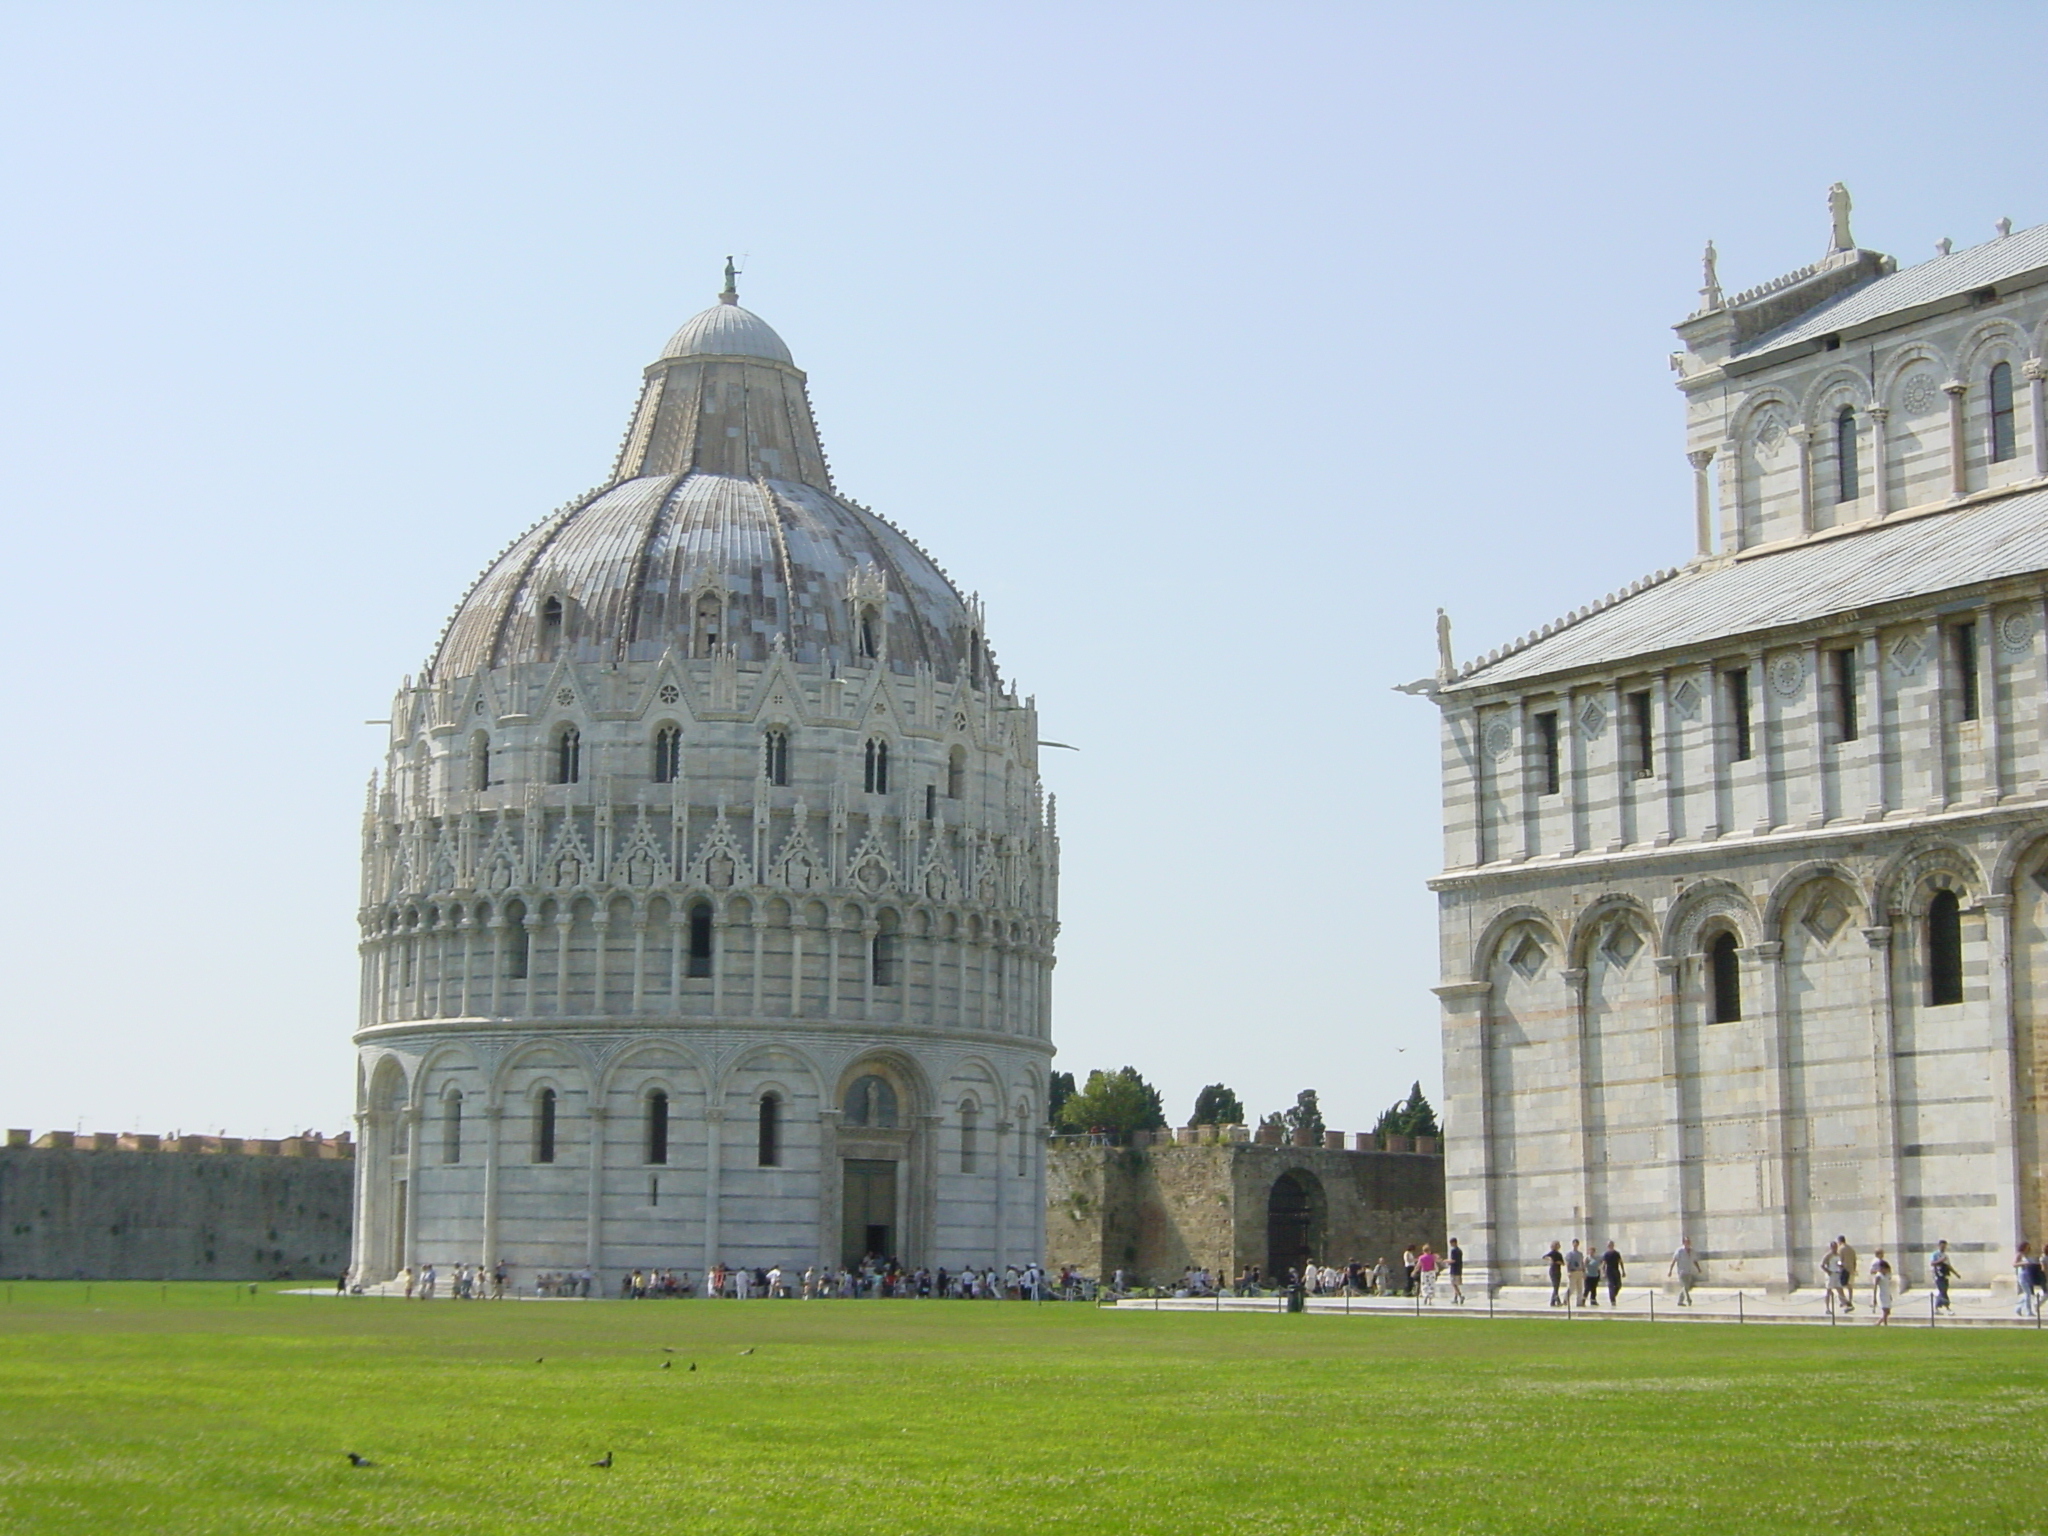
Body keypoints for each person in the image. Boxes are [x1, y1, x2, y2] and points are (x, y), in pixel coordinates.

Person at [1667, 1237, 1699, 1306]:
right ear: (1684, 1242)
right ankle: (1688, 1299)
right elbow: (1674, 1261)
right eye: (1687, 1241)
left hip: (1689, 1271)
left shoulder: (1692, 1251)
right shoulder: (1679, 1251)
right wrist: (1670, 1271)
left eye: (1689, 1241)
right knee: (1685, 1286)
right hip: (1682, 1272)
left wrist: (1698, 1268)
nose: (1688, 1243)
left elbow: (1695, 1261)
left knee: (1686, 1287)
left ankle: (1680, 1301)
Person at [1929, 1240, 1957, 1315]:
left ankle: (1937, 1307)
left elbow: (1948, 1266)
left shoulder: (1945, 1255)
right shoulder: (1935, 1254)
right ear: (1939, 1246)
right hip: (1937, 1275)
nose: (1943, 1247)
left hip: (1945, 1275)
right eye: (1942, 1246)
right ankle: (1947, 1308)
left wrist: (1956, 1273)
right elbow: (1932, 1263)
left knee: (1943, 1291)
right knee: (1943, 1291)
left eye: (1945, 1246)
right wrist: (1940, 1260)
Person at [1870, 1249, 1894, 1325]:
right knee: (1885, 1311)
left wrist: (1890, 1295)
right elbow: (1875, 1287)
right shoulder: (1879, 1276)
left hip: (1886, 1293)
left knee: (1888, 1311)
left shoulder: (1887, 1275)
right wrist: (1873, 1298)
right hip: (1881, 1294)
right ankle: (1880, 1323)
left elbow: (1888, 1285)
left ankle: (1881, 1323)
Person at [1835, 1236, 1857, 1313]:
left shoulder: (1841, 1249)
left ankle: (1845, 1302)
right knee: (1850, 1287)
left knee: (1839, 1287)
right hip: (1851, 1270)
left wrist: (1837, 1266)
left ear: (1839, 1241)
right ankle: (1850, 1300)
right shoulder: (1851, 1249)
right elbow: (1854, 1261)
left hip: (1844, 1270)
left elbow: (1840, 1260)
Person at [1601, 1242, 1625, 1306]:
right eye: (1609, 1245)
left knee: (1618, 1285)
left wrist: (1623, 1271)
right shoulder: (1606, 1254)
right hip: (1609, 1271)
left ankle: (1613, 1296)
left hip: (1616, 1270)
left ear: (1613, 1245)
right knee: (1611, 1286)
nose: (1610, 1246)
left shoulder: (1616, 1253)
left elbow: (1620, 1262)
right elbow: (1604, 1264)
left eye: (1611, 1245)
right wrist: (1603, 1273)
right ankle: (1612, 1300)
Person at [1564, 1240, 1587, 1307]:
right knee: (1572, 1288)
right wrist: (1568, 1272)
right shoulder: (1570, 1254)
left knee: (1580, 1288)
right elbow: (1568, 1263)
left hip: (1579, 1271)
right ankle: (1565, 1299)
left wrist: (1584, 1272)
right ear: (1573, 1244)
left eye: (1577, 1244)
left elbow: (1582, 1263)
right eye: (1574, 1244)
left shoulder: (1580, 1254)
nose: (1575, 1245)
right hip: (1573, 1271)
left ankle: (1579, 1302)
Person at [1541, 1242, 1565, 1306]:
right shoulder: (1552, 1253)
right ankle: (1558, 1301)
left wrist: (1558, 1262)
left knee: (1556, 1287)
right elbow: (1544, 1257)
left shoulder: (1559, 1254)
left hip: (1558, 1270)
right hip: (1553, 1271)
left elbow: (1562, 1263)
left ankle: (1553, 1302)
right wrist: (1550, 1259)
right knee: (1555, 1286)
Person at [1447, 1238, 1465, 1304]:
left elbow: (1453, 1260)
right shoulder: (1459, 1250)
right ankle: (1455, 1298)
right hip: (1459, 1269)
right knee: (1456, 1284)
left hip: (1454, 1269)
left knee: (1454, 1284)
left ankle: (1460, 1296)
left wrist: (1446, 1261)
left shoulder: (1453, 1250)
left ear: (1453, 1243)